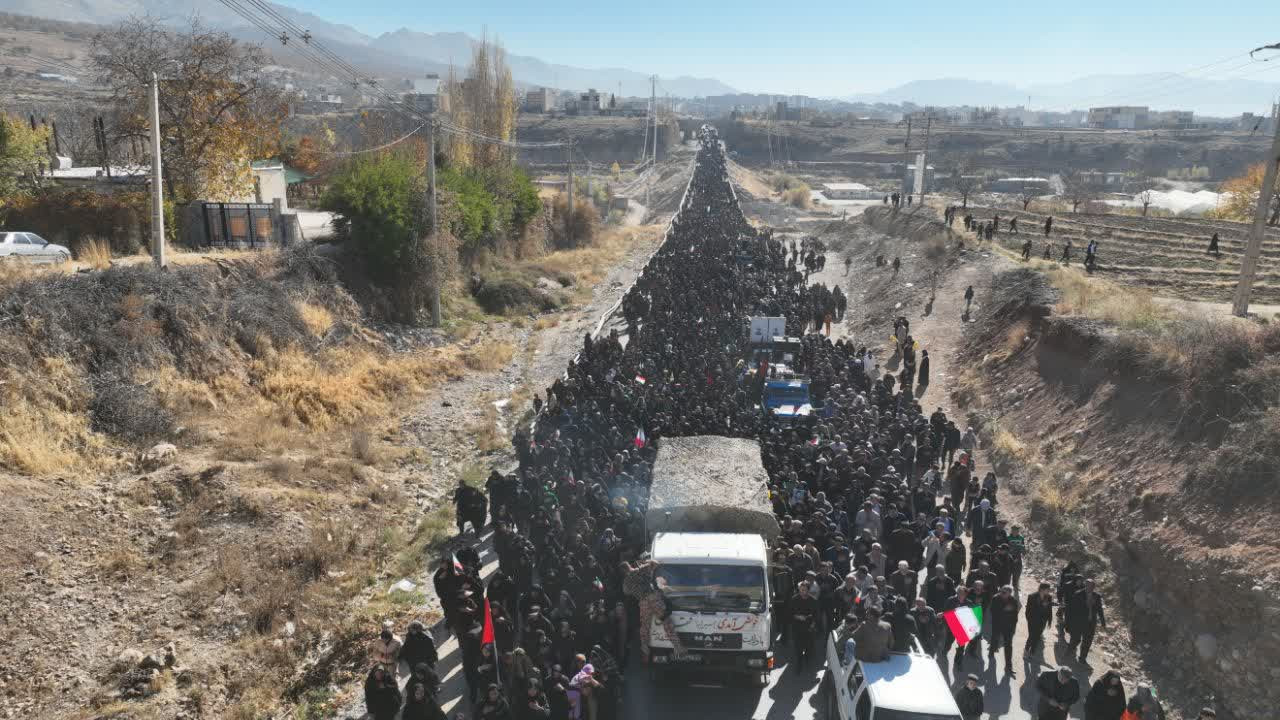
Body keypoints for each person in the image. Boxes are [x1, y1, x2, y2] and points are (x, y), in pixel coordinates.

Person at [1065, 578, 1106, 663]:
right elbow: (1071, 609)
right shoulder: (1078, 594)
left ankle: (1082, 658)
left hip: (1091, 623)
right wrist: (1068, 622)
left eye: (1091, 586)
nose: (1088, 588)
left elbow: (1100, 610)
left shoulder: (1097, 596)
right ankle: (1069, 651)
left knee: (1087, 641)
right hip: (1079, 622)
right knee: (1075, 639)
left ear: (1093, 587)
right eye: (1087, 585)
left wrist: (1103, 623)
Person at [987, 584, 1020, 675]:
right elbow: (992, 611)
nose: (1002, 593)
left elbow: (1015, 615)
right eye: (1001, 591)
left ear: (1009, 593)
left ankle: (1008, 667)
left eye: (1004, 592)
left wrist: (1013, 627)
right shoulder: (995, 598)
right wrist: (1004, 609)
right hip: (997, 624)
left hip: (1008, 627)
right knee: (994, 639)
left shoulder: (1013, 601)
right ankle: (991, 651)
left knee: (1008, 646)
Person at [790, 581, 822, 670]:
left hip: (809, 627)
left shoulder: (813, 601)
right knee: (798, 648)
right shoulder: (794, 599)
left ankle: (808, 663)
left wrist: (813, 624)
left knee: (809, 647)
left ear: (808, 590)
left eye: (804, 590)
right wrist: (797, 617)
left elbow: (817, 615)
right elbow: (789, 613)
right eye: (801, 590)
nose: (802, 592)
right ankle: (799, 664)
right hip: (797, 627)